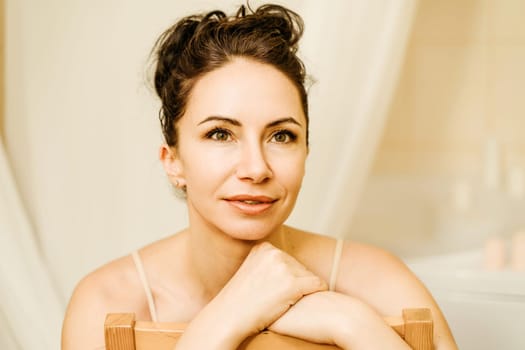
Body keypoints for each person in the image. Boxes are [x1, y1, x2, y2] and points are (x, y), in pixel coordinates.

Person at [61, 3, 457, 349]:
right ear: (173, 161)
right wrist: (228, 315)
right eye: (220, 134)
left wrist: (349, 321)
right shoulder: (106, 300)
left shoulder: (375, 280)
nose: (256, 168)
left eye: (281, 136)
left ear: (305, 150)